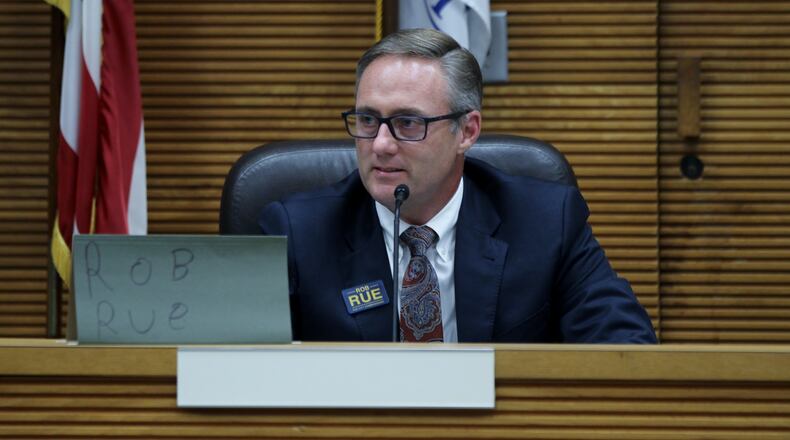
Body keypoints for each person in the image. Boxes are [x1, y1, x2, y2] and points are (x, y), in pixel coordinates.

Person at [259, 28, 657, 343]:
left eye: (408, 123)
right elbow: (236, 368)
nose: (380, 144)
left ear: (466, 131)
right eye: (367, 120)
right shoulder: (297, 232)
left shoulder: (547, 222)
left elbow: (625, 348)